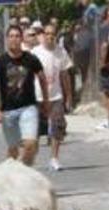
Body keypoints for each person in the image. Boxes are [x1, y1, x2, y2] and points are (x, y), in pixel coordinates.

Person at [0, 25, 49, 166]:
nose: (14, 39)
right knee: (13, 149)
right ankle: (11, 171)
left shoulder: (31, 59)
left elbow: (43, 79)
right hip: (8, 111)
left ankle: (25, 171)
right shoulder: (0, 61)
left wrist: (46, 101)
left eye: (17, 36)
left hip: (28, 107)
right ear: (7, 39)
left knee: (30, 144)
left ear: (21, 39)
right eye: (11, 36)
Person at [32, 24, 73, 171]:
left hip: (56, 96)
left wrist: (68, 97)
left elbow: (65, 75)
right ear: (43, 35)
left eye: (53, 34)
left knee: (58, 126)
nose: (50, 37)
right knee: (34, 130)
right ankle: (31, 159)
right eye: (47, 34)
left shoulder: (61, 52)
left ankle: (54, 158)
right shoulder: (35, 52)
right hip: (37, 97)